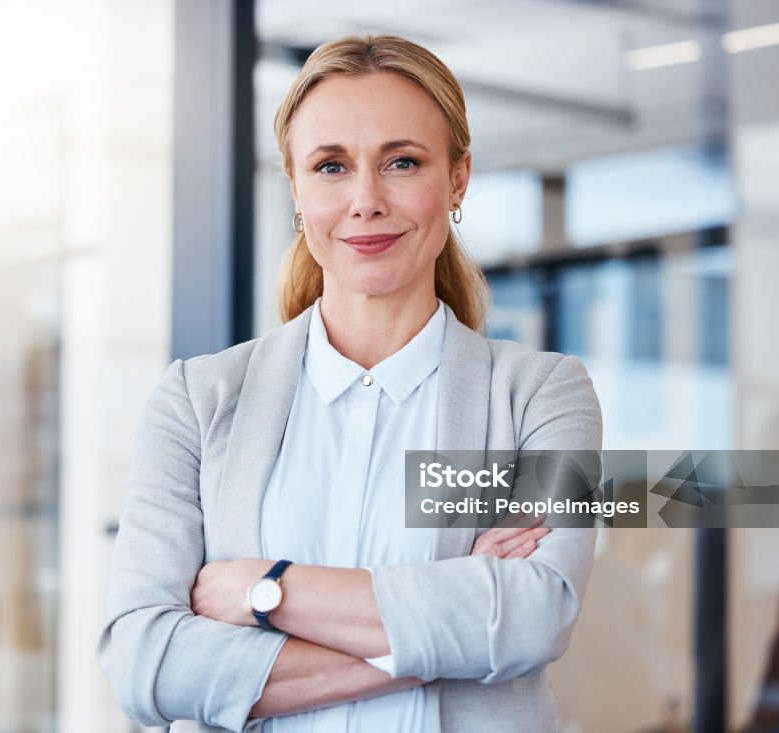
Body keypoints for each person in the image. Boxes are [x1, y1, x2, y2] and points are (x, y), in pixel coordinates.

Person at [97, 34, 602, 733]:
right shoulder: (197, 401)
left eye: (402, 161)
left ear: (457, 180)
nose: (365, 199)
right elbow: (146, 663)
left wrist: (263, 589)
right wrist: (438, 640)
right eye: (331, 166)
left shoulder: (546, 397)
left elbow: (533, 615)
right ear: (296, 189)